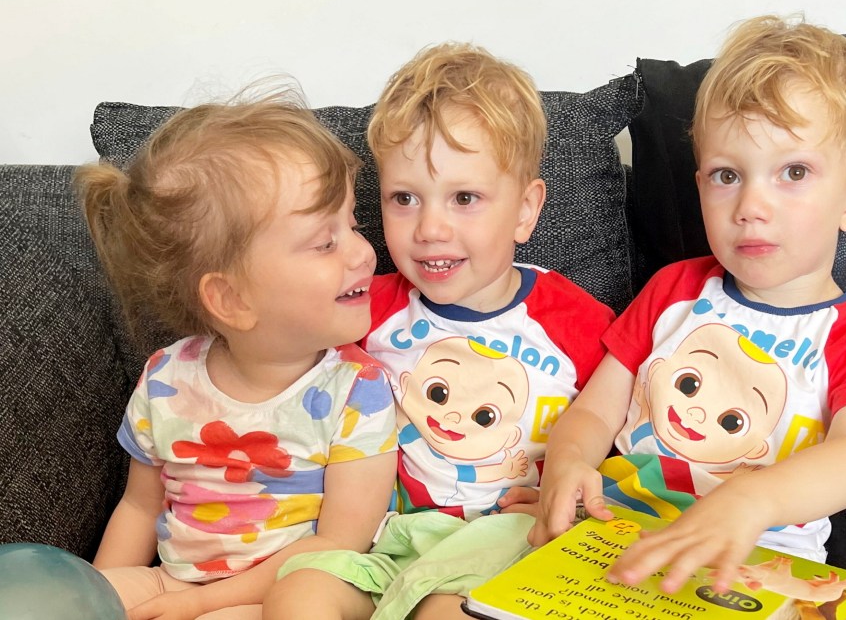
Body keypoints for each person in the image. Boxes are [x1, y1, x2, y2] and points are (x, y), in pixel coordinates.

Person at [529, 14, 846, 596]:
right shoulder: (673, 290)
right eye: (727, 175)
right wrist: (567, 464)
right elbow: (593, 412)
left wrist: (752, 497)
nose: (751, 205)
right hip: (619, 543)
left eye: (793, 172)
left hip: (758, 565)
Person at [264, 43, 615, 620]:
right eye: (405, 198)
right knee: (299, 596)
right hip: (389, 541)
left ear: (526, 211)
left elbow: (622, 428)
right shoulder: (363, 308)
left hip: (508, 548)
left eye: (465, 198)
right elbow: (275, 333)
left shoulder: (578, 321)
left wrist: (572, 496)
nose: (429, 228)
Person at [78, 90, 398, 620]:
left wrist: (203, 602)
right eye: (325, 242)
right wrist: (93, 595)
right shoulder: (166, 377)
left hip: (289, 589)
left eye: (353, 225)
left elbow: (342, 542)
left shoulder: (357, 390)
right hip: (175, 580)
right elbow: (138, 506)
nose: (364, 252)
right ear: (231, 299)